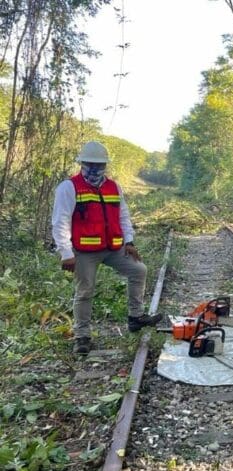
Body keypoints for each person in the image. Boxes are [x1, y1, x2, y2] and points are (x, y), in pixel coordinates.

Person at [52, 141, 162, 355]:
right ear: (82, 163)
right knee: (85, 290)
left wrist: (128, 242)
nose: (94, 169)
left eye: (99, 164)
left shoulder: (114, 187)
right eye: (90, 164)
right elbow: (60, 221)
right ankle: (82, 335)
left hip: (112, 247)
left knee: (139, 270)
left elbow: (123, 215)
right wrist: (66, 253)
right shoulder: (69, 187)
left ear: (105, 166)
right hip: (84, 252)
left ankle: (135, 317)